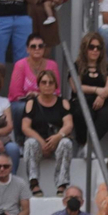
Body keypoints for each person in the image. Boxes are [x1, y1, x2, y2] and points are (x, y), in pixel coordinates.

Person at [20, 70, 74, 198]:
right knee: (30, 143)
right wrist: (41, 141)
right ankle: (34, 184)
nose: (47, 85)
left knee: (66, 142)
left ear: (56, 85)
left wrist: (57, 137)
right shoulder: (31, 103)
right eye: (44, 82)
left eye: (51, 83)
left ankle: (61, 185)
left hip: (57, 144)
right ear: (39, 85)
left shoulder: (63, 103)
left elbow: (69, 124)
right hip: (39, 144)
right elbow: (25, 127)